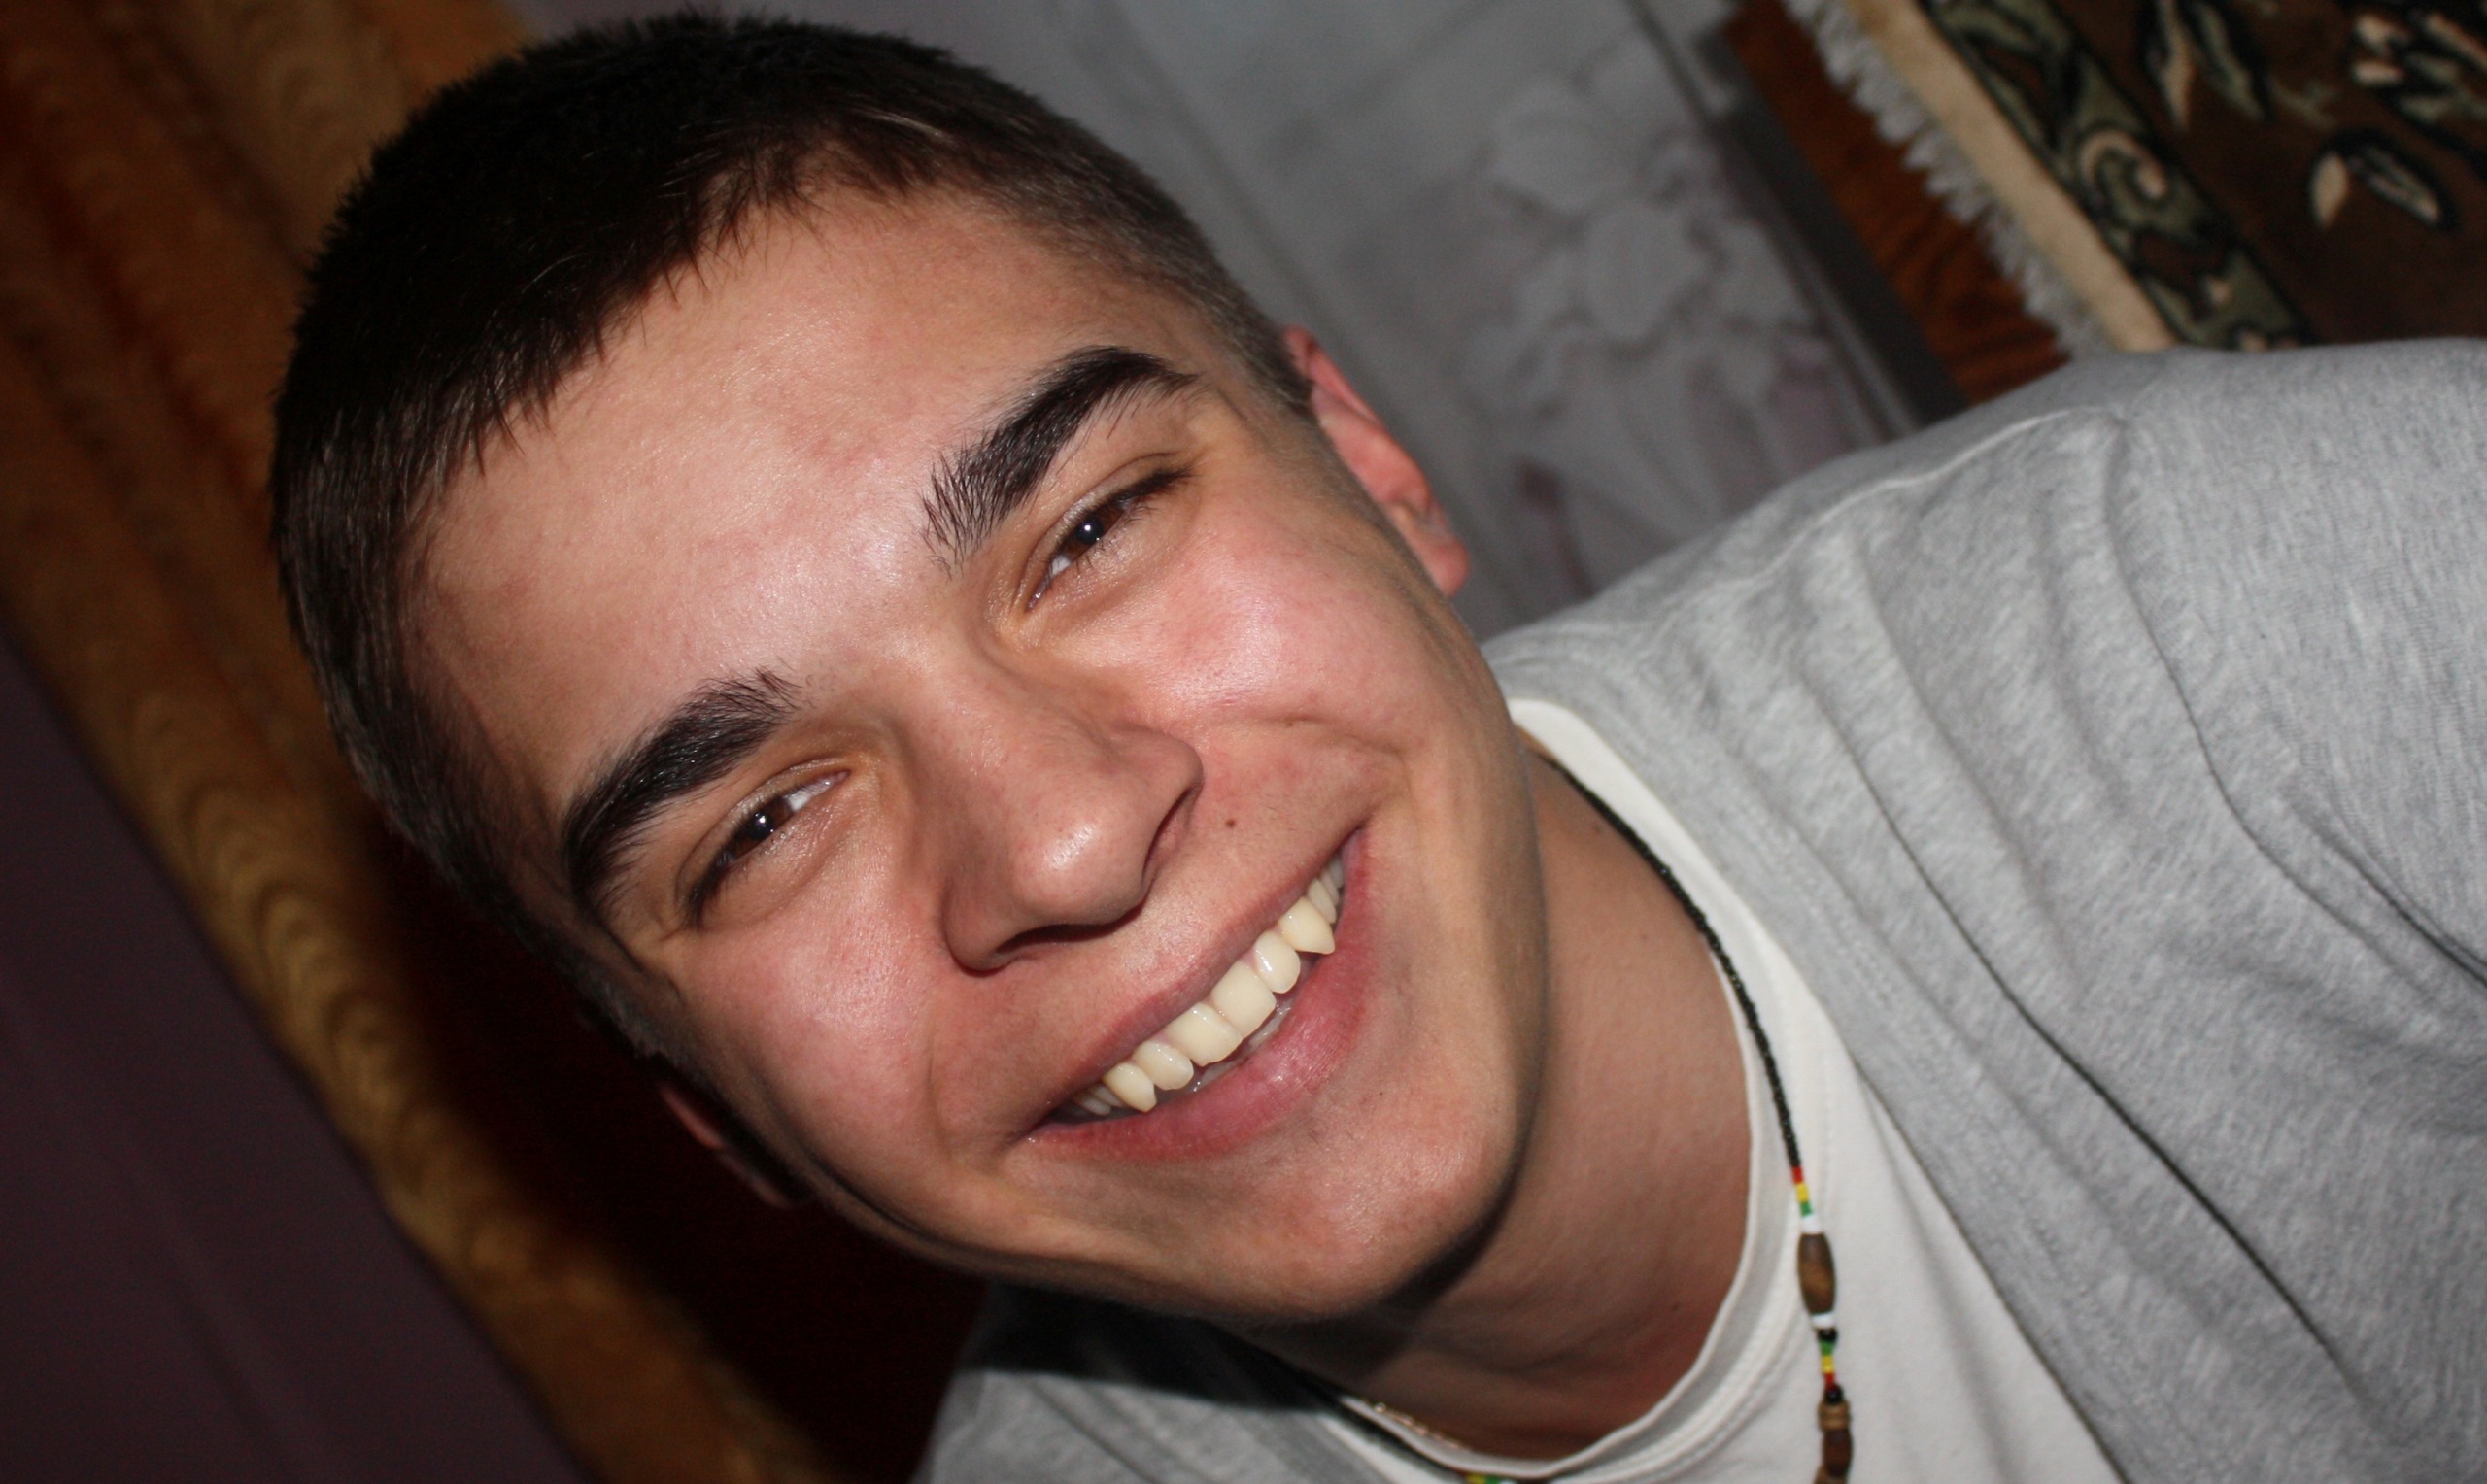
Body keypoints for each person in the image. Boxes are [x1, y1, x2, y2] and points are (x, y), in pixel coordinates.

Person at [267, 15, 2484, 1484]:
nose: (1062, 838)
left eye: (1091, 527)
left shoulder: (2241, 636)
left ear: (1367, 457)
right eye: (763, 821)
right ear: (709, 1116)